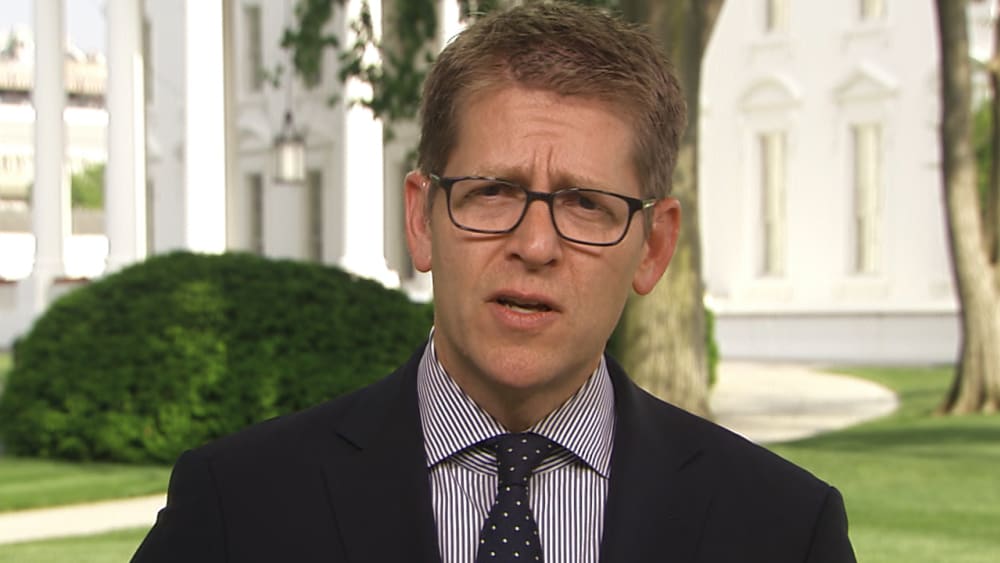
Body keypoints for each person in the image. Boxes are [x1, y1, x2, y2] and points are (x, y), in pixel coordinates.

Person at [133, 3, 856, 562]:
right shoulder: (237, 508)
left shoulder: (782, 530)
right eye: (492, 192)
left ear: (653, 247)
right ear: (420, 219)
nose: (535, 245)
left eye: (585, 204)